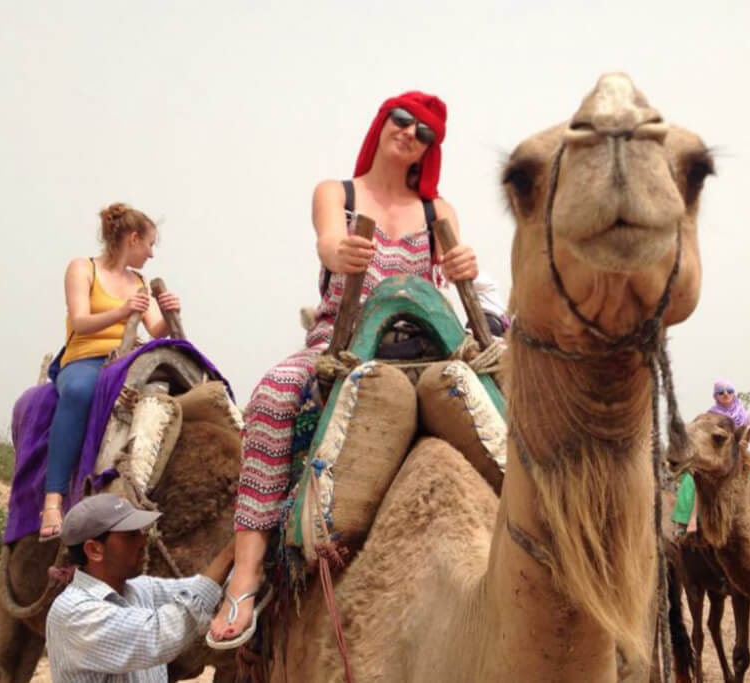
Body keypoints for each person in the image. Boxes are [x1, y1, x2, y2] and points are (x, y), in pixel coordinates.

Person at [208, 91, 478, 647]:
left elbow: (456, 264)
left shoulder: (439, 212)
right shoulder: (338, 193)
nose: (410, 133)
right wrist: (339, 252)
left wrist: (463, 263)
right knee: (274, 393)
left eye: (424, 132)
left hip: (425, 348)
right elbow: (330, 241)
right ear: (383, 123)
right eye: (402, 120)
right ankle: (246, 574)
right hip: (343, 343)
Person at [40, 204, 182, 542]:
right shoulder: (83, 268)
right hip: (86, 359)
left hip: (129, 362)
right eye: (149, 244)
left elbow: (155, 330)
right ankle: (53, 500)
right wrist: (122, 310)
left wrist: (169, 313)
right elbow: (80, 321)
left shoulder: (140, 282)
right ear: (133, 239)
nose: (151, 253)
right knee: (79, 392)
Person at [45, 493, 233, 682]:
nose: (143, 541)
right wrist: (229, 554)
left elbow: (202, 588)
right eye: (130, 536)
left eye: (140, 533)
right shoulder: (73, 612)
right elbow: (159, 636)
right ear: (94, 550)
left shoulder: (139, 589)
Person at [677, 380, 750, 534]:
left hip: (741, 459)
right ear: (715, 396)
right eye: (721, 392)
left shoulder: (742, 415)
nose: (726, 394)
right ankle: (689, 521)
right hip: (718, 459)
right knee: (696, 478)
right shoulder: (709, 418)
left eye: (729, 391)